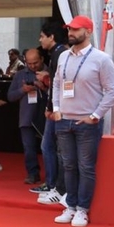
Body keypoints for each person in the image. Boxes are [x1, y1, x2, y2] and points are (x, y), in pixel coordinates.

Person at [51, 16, 114, 227]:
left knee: (85, 167)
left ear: (88, 32)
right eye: (69, 29)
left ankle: (82, 209)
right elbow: (57, 85)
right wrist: (56, 109)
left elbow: (113, 92)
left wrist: (94, 116)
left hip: (86, 123)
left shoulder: (101, 59)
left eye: (75, 29)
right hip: (64, 121)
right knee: (68, 166)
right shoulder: (63, 56)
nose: (70, 32)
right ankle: (70, 206)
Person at [34, 21, 69, 205]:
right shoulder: (58, 53)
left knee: (52, 147)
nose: (40, 40)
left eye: (42, 36)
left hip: (60, 109)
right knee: (52, 147)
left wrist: (51, 107)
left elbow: (58, 84)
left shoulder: (60, 54)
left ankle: (55, 185)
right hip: (59, 107)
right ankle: (55, 185)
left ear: (51, 37)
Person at [7, 47, 48, 184]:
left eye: (35, 63)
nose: (32, 66)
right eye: (29, 63)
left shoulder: (49, 72)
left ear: (42, 59)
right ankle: (32, 173)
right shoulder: (20, 75)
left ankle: (51, 175)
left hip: (46, 115)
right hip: (27, 116)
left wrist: (45, 87)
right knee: (29, 147)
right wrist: (22, 90)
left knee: (48, 147)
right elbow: (10, 96)